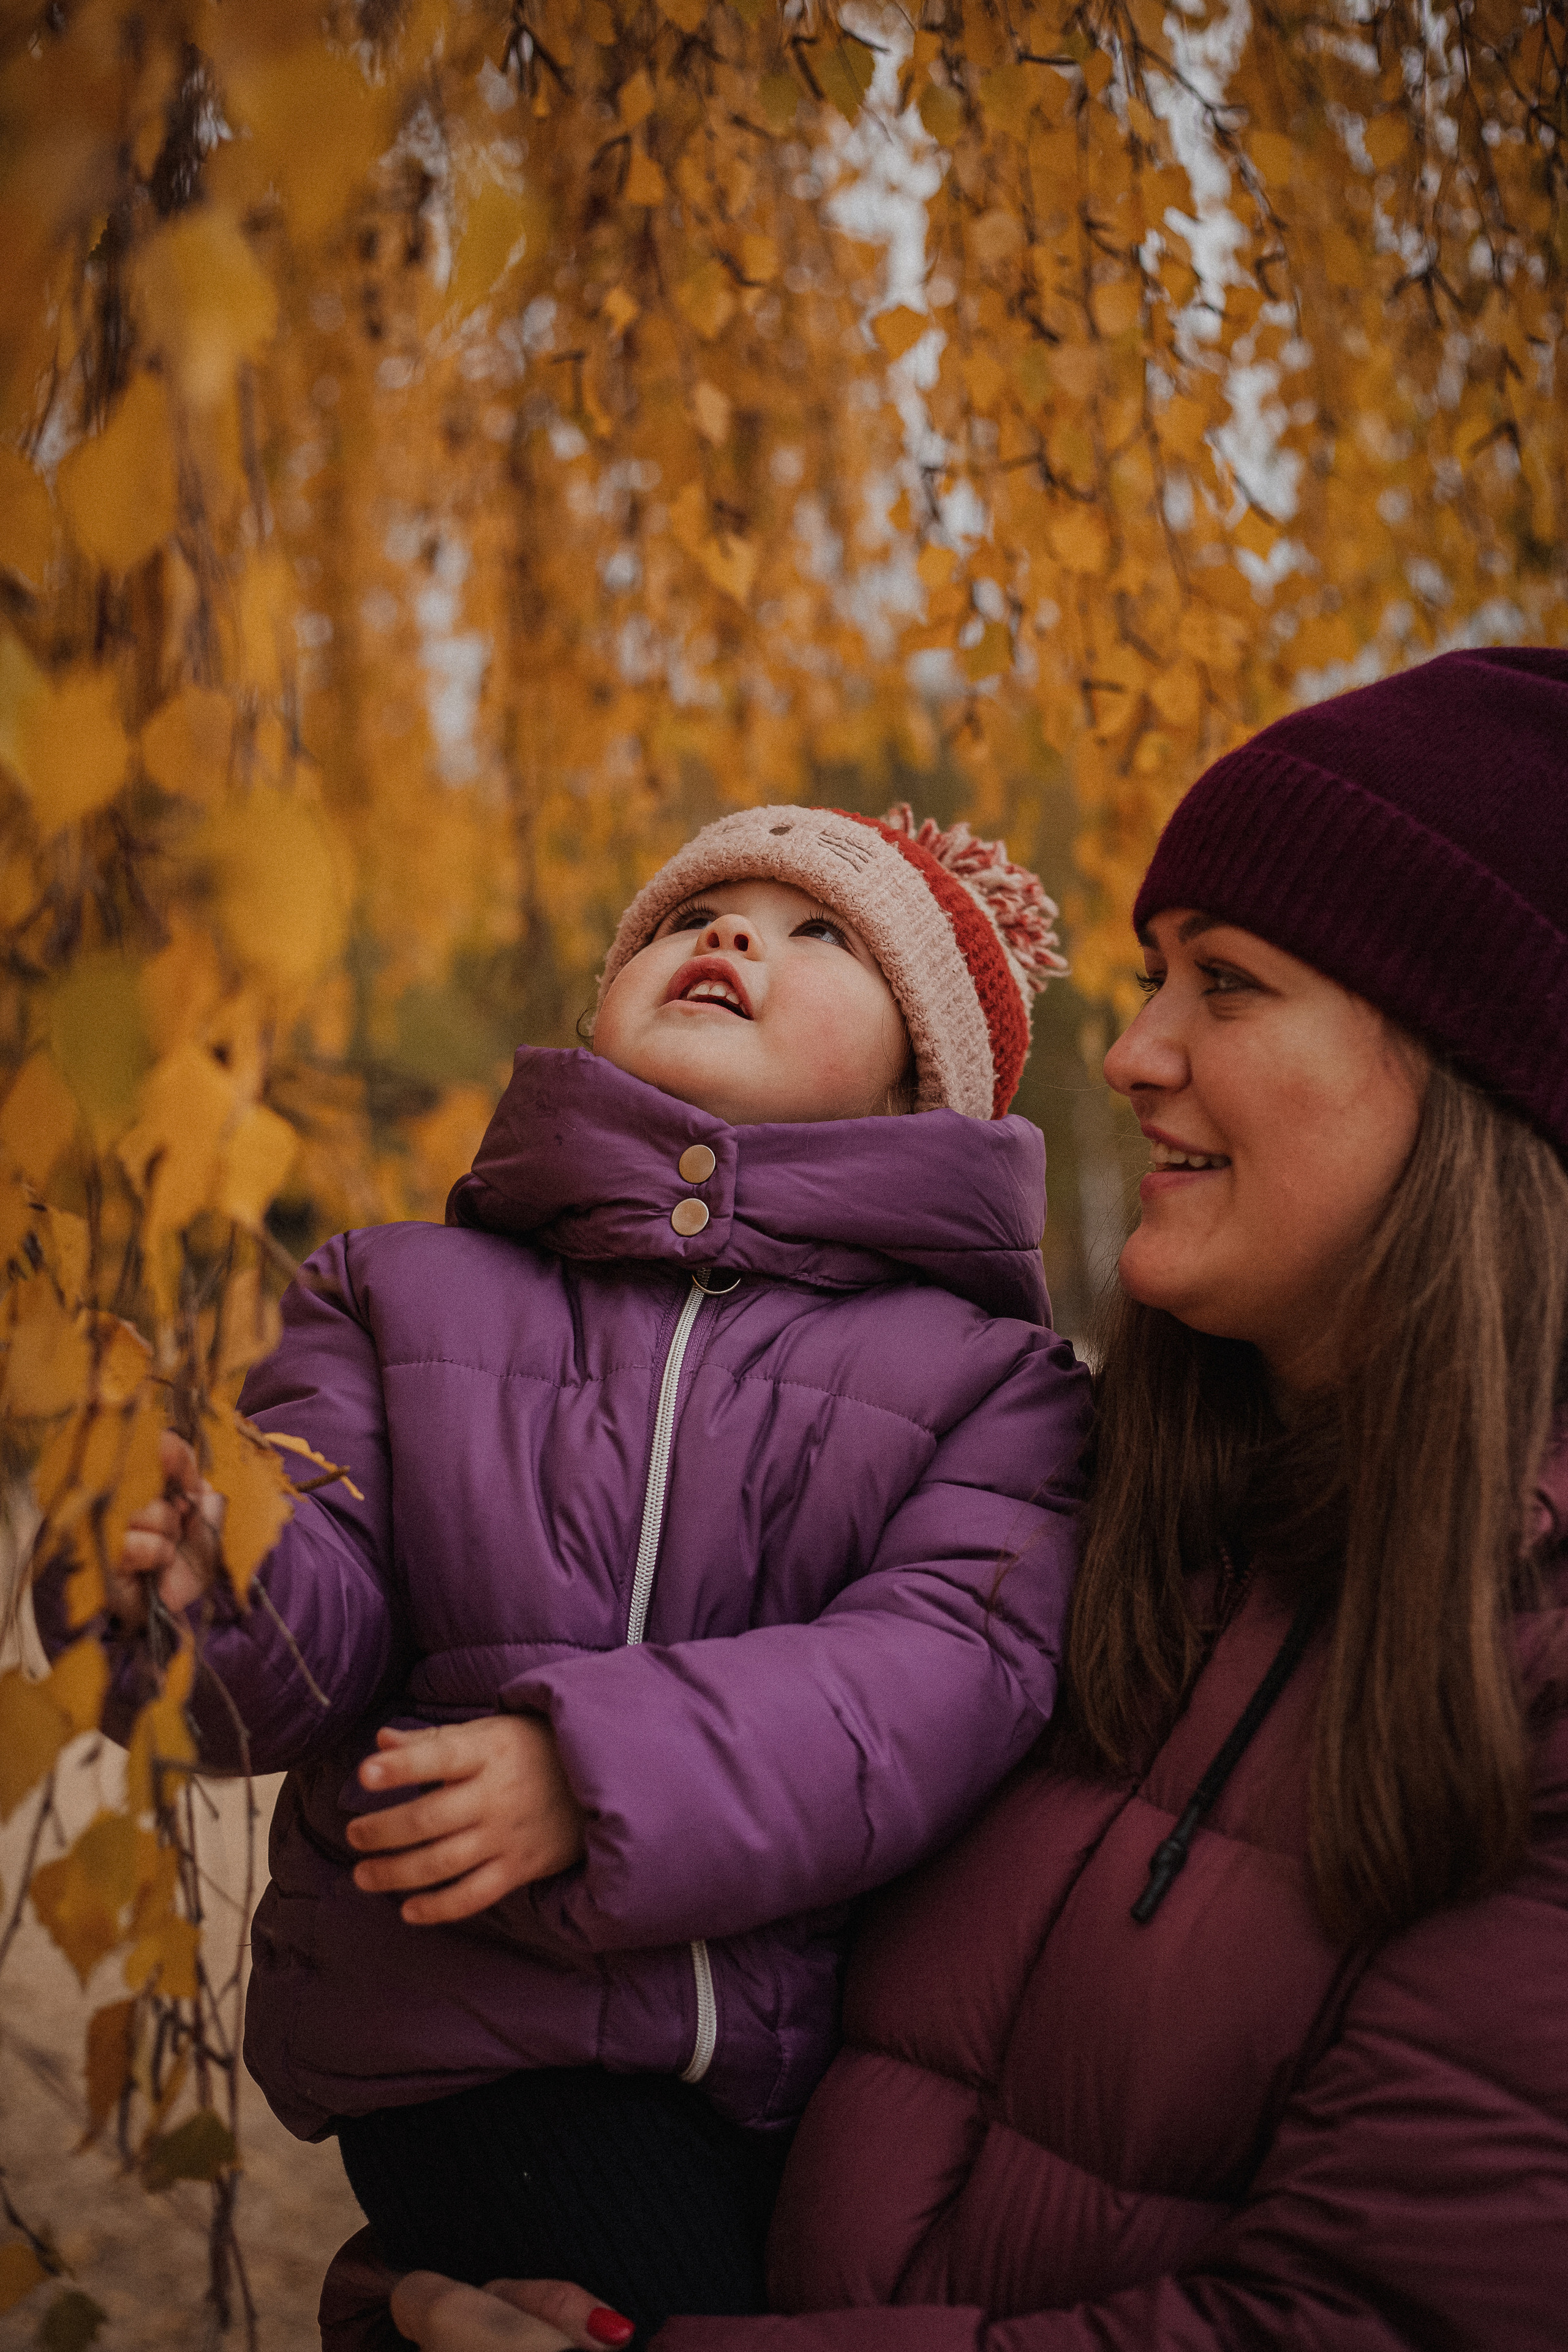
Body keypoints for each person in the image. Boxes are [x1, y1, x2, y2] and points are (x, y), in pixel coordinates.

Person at [387, 644, 1568, 2352]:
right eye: (1152, 979)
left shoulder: (1535, 1678)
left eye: (1226, 985)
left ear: (1482, 1078)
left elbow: (1364, 2319)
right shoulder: (1062, 1508)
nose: (1134, 1053)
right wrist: (461, 2280)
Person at [76, 802, 1091, 2343]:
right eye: (690, 915)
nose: (730, 935)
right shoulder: (398, 1289)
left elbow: (940, 1672)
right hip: (470, 2049)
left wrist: (599, 1772)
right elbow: (321, 1611)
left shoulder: (990, 1384)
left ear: (918, 1083)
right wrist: (216, 1583)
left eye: (820, 933)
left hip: (789, 2078)